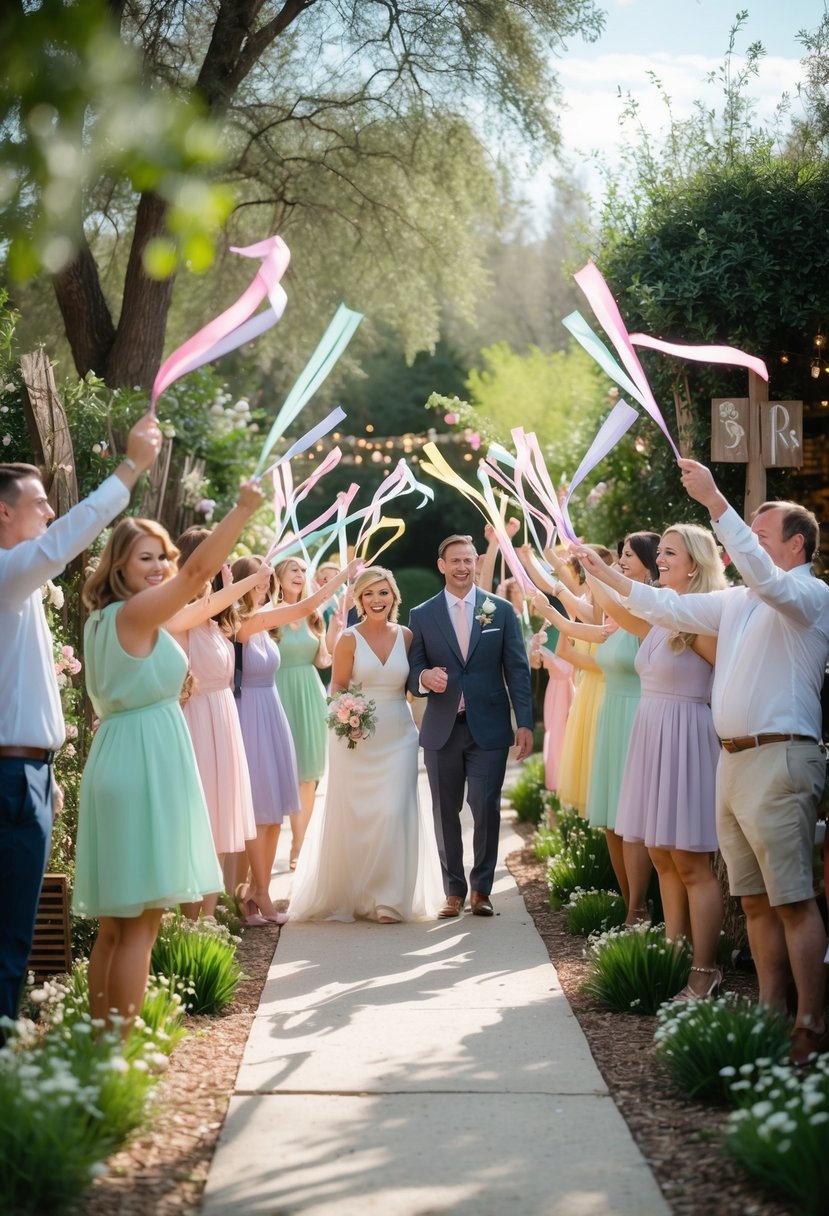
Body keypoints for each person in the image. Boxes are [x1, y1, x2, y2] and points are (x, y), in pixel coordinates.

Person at [576, 460, 829, 1066]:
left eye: (761, 534)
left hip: (780, 757)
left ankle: (811, 1024)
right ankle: (771, 1013)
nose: (745, 542)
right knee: (755, 901)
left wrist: (717, 500)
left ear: (794, 545)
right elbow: (665, 608)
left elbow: (764, 577)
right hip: (733, 761)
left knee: (793, 899)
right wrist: (601, 572)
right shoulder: (735, 601)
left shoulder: (807, 595)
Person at [72, 480, 264, 1034]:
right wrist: (243, 508)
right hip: (143, 765)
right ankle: (122, 1049)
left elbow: (194, 588)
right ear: (119, 567)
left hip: (119, 755)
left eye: (164, 556)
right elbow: (198, 576)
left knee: (117, 924)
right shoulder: (135, 615)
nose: (159, 567)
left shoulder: (105, 619)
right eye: (145, 558)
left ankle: (104, 1042)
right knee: (139, 928)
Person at [0, 413, 162, 1031]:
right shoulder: (9, 573)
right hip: (10, 779)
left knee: (13, 932)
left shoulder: (19, 585)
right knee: (9, 938)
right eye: (39, 504)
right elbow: (67, 536)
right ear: (4, 514)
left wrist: (46, 769)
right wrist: (131, 468)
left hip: (30, 775)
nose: (49, 514)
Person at [601, 525, 726, 998]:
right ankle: (672, 954)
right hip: (652, 735)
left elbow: (723, 666)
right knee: (661, 854)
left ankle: (704, 967)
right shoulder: (659, 614)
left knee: (692, 861)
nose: (660, 560)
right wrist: (592, 569)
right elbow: (616, 606)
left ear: (694, 563)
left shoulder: (704, 617)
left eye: (670, 553)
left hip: (687, 736)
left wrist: (682, 624)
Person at [289, 566, 444, 922]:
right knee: (361, 815)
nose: (377, 600)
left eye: (383, 593)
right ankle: (358, 895)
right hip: (356, 737)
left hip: (399, 735)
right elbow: (338, 685)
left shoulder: (407, 636)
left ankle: (389, 899)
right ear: (359, 599)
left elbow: (413, 686)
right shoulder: (348, 639)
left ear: (394, 597)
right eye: (370, 594)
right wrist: (348, 714)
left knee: (393, 811)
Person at [407, 534, 534, 919]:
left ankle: (481, 889)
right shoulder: (422, 614)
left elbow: (517, 669)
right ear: (441, 565)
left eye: (468, 560)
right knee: (445, 811)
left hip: (490, 728)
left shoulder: (501, 610)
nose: (462, 567)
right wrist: (424, 677)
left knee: (485, 805)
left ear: (476, 563)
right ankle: (453, 892)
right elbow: (412, 670)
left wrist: (524, 722)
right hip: (443, 728)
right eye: (455, 561)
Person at [229, 554, 359, 922]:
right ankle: (261, 895)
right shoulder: (245, 623)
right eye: (254, 581)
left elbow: (313, 624)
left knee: (274, 815)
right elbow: (307, 603)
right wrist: (344, 576)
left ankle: (257, 891)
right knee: (259, 812)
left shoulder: (266, 624)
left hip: (273, 712)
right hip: (249, 714)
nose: (260, 587)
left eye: (263, 581)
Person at [168, 530, 273, 919]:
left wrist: (234, 587)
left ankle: (207, 921)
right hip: (196, 722)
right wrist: (245, 581)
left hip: (222, 718)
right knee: (198, 825)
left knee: (218, 825)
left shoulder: (213, 618)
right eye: (218, 558)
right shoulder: (179, 611)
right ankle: (189, 921)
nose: (223, 564)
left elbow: (232, 615)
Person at [272, 555, 345, 869]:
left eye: (304, 570)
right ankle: (271, 839)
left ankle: (298, 845)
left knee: (308, 777)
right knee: (277, 774)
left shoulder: (316, 614)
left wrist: (334, 632)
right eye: (294, 570)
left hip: (310, 694)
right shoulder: (269, 614)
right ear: (279, 576)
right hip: (275, 695)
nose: (301, 574)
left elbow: (323, 661)